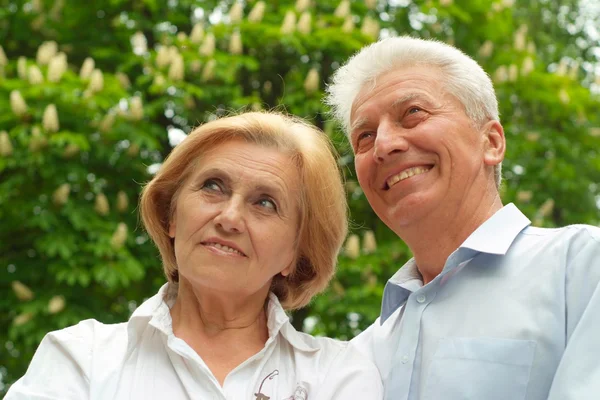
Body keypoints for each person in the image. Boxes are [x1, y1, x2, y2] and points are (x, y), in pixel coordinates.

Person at [6, 112, 383, 400]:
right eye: (213, 187)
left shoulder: (337, 376)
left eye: (265, 203)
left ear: (296, 256)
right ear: (171, 214)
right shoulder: (80, 357)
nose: (230, 217)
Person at [325, 36, 600, 400]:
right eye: (364, 135)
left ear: (491, 143)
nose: (383, 145)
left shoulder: (582, 267)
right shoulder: (360, 354)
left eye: (413, 113)